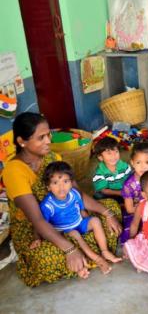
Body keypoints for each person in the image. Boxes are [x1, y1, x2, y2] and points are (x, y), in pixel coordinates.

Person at [2, 112, 121, 287]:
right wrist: (69, 249)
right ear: (22, 141)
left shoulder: (53, 158)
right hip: (38, 228)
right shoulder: (14, 171)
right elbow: (37, 219)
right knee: (44, 259)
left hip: (68, 213)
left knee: (112, 208)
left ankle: (84, 253)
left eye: (48, 134)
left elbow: (76, 194)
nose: (48, 140)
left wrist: (107, 213)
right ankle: (83, 252)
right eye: (41, 137)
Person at [35, 161, 122, 275]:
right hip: (65, 231)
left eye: (65, 181)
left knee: (95, 221)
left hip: (78, 222)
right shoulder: (47, 205)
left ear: (71, 183)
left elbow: (81, 209)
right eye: (55, 183)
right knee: (76, 236)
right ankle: (97, 260)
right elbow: (40, 224)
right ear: (48, 187)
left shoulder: (74, 194)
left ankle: (104, 251)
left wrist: (88, 218)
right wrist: (37, 238)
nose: (61, 186)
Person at [120, 141, 148, 243]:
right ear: (132, 163)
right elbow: (130, 209)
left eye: (147, 162)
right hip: (137, 213)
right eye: (138, 162)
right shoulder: (128, 185)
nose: (143, 167)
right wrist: (147, 209)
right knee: (131, 231)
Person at [92, 137, 131, 201]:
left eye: (116, 151)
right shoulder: (99, 173)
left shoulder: (125, 166)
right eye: (109, 153)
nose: (114, 156)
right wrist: (120, 193)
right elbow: (104, 190)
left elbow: (129, 181)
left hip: (123, 190)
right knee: (98, 195)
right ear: (100, 157)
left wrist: (126, 191)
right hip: (109, 193)